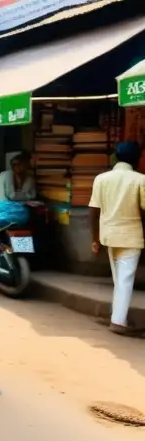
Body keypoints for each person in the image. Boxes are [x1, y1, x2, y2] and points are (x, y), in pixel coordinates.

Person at [89, 141, 145, 335]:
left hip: (108, 235)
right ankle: (118, 322)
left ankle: (118, 316)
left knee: (119, 280)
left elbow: (94, 211)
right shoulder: (140, 180)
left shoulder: (101, 179)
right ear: (136, 159)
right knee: (125, 280)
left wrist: (95, 239)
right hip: (131, 236)